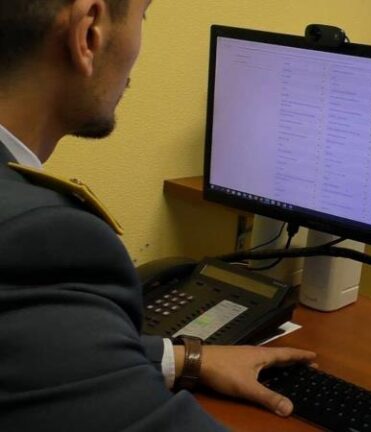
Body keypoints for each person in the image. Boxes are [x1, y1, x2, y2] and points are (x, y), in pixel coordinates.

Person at [0, 0, 315, 430]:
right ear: (89, 33)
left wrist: (181, 358)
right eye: (142, 15)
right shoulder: (37, 241)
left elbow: (29, 351)